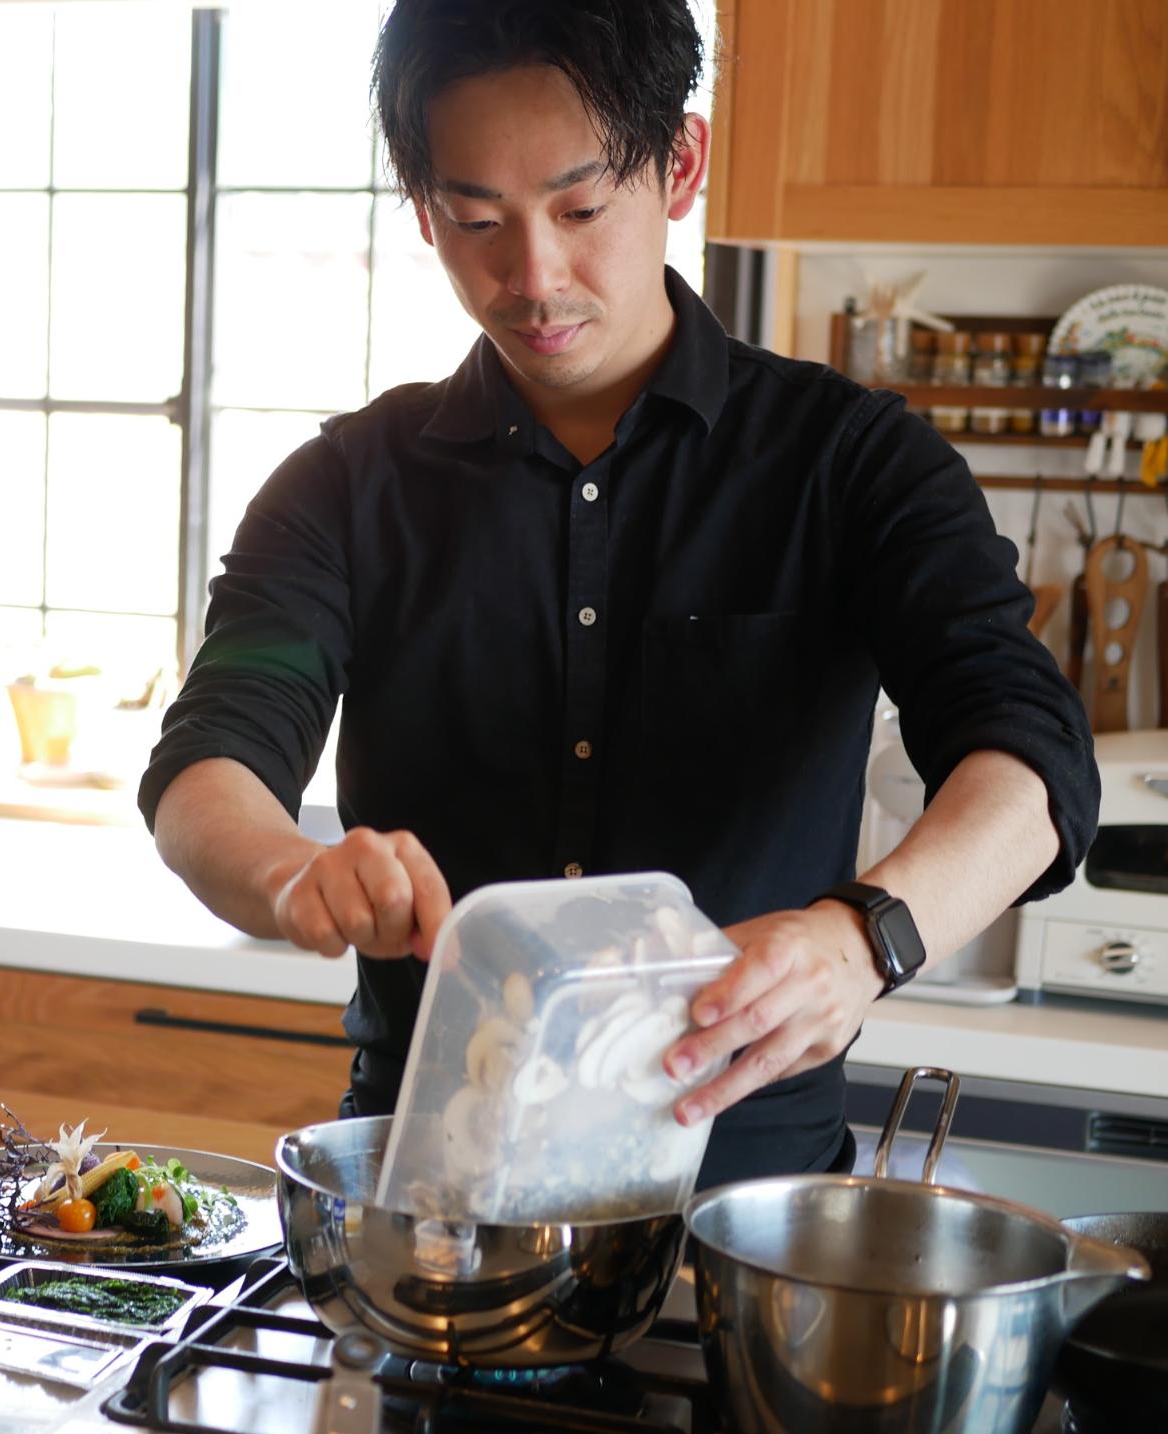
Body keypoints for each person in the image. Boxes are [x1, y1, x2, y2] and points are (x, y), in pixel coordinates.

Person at [139, 0, 1096, 1186]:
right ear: (421, 201)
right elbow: (208, 759)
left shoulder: (851, 461)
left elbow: (1032, 754)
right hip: (433, 1188)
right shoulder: (347, 485)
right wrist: (293, 871)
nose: (532, 276)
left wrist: (866, 937)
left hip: (747, 1201)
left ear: (680, 164)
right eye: (474, 218)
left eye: (582, 208)